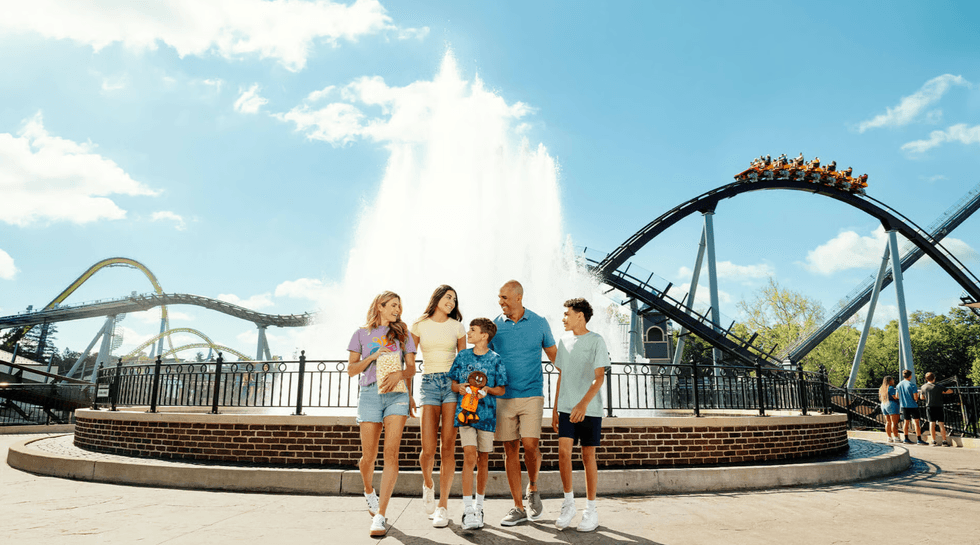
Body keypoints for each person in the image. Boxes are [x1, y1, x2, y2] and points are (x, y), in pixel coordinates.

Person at [347, 291, 417, 537]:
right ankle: (369, 490)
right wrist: (372, 358)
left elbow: (411, 369)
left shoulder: (403, 335)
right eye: (394, 305)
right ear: (380, 305)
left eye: (400, 305)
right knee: (368, 457)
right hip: (369, 395)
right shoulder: (360, 335)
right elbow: (351, 370)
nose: (398, 309)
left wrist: (402, 378)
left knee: (391, 453)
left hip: (396, 396)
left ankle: (381, 515)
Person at [490, 280, 557, 526]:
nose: (501, 302)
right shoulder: (495, 326)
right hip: (504, 398)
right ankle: (518, 506)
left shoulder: (539, 323)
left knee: (530, 445)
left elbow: (555, 357)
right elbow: (483, 357)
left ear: (519, 297)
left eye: (505, 297)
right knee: (510, 450)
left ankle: (533, 486)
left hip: (532, 394)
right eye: (499, 297)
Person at [552, 298, 610, 533]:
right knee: (564, 452)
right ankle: (568, 504)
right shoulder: (563, 341)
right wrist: (556, 409)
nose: (563, 318)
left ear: (580, 315)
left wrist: (583, 404)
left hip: (590, 409)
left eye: (567, 314)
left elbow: (599, 377)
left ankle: (591, 509)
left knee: (588, 457)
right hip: (566, 408)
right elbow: (561, 376)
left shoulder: (596, 340)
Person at [410, 285, 466, 527]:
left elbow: (463, 361)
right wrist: (408, 393)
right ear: (436, 299)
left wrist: (463, 389)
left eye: (454, 299)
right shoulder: (419, 324)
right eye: (448, 297)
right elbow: (409, 360)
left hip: (451, 385)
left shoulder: (457, 326)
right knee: (428, 449)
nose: (451, 302)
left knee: (448, 448)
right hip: (428, 384)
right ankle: (428, 484)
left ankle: (443, 505)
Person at [448, 318, 507, 530]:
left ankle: (479, 506)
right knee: (470, 455)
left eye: (473, 330)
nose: (468, 333)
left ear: (484, 335)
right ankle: (467, 509)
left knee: (483, 460)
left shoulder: (496, 360)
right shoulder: (462, 356)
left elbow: (501, 389)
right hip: (465, 415)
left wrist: (487, 391)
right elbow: (453, 383)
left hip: (487, 416)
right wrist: (460, 388)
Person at [920, 372, 954, 447]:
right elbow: (950, 391)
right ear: (934, 378)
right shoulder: (939, 386)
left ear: (926, 379)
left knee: (932, 423)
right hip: (939, 406)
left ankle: (933, 441)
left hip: (929, 406)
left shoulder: (923, 387)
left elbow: (921, 397)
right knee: (941, 424)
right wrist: (941, 393)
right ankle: (944, 441)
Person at [896, 369, 927, 445]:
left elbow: (897, 396)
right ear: (910, 376)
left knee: (906, 422)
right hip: (913, 405)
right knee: (916, 423)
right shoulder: (912, 385)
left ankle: (906, 439)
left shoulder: (899, 385)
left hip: (904, 405)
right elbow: (916, 398)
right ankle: (919, 439)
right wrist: (918, 393)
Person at [878, 376, 900, 443]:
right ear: (890, 381)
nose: (893, 381)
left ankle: (889, 437)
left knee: (888, 422)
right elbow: (895, 397)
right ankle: (896, 437)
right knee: (894, 422)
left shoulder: (881, 388)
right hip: (891, 404)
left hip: (883, 404)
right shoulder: (891, 388)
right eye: (892, 380)